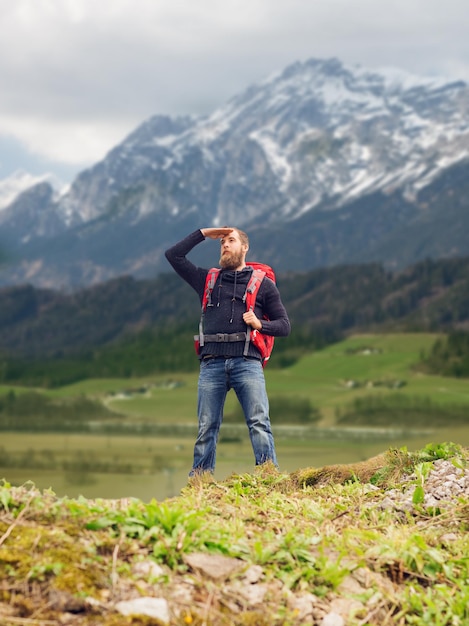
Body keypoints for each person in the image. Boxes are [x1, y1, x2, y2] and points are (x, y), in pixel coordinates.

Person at [165, 227, 291, 476]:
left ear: (245, 247)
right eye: (221, 242)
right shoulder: (207, 280)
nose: (224, 245)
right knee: (206, 427)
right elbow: (173, 255)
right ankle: (200, 482)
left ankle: (268, 478)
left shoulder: (263, 285)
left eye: (231, 240)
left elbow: (284, 326)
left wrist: (260, 324)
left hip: (247, 363)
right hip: (211, 364)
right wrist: (202, 233)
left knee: (258, 423)